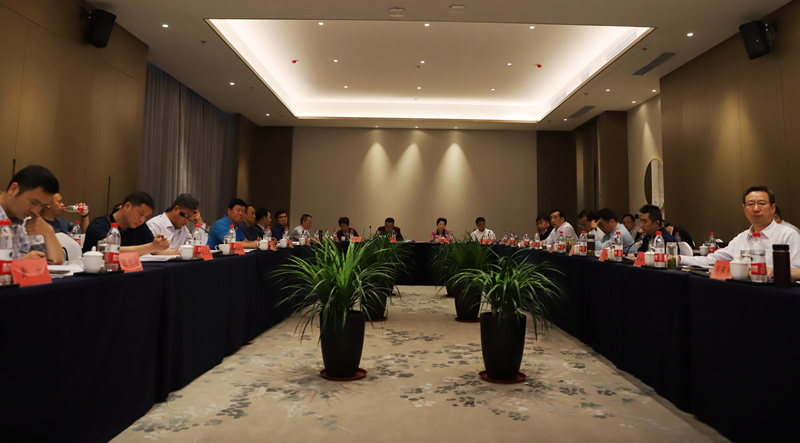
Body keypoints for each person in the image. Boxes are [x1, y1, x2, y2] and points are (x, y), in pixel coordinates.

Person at [679, 186, 800, 269]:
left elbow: (797, 269)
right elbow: (710, 261)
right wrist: (678, 258)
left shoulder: (788, 235)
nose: (756, 209)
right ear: (744, 209)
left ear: (773, 208)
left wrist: (770, 271)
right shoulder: (741, 238)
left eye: (761, 203)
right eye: (751, 204)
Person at [0, 165, 64, 264]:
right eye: (33, 202)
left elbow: (56, 261)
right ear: (13, 189)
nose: (35, 210)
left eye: (41, 206)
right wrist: (18, 264)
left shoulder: (28, 221)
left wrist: (48, 232)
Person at [83, 191, 170, 256]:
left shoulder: (139, 226)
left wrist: (176, 251)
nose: (142, 220)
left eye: (146, 217)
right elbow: (109, 250)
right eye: (141, 214)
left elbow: (155, 250)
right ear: (127, 206)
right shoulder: (98, 225)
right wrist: (152, 247)